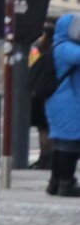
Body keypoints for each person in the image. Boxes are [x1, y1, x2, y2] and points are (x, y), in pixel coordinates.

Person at [46, 11, 80, 198]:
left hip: (66, 101)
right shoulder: (64, 47)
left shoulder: (61, 45)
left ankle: (56, 182)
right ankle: (65, 182)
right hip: (68, 103)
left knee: (63, 144)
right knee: (69, 144)